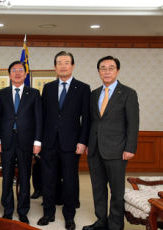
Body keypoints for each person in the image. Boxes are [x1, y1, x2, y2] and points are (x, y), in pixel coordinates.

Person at [83, 56, 139, 230]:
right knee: (98, 188)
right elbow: (91, 121)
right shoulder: (93, 94)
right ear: (99, 71)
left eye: (111, 68)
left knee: (116, 190)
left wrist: (130, 148)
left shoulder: (128, 93)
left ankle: (115, 224)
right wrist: (87, 143)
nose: (106, 71)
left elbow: (133, 123)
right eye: (103, 68)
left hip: (117, 150)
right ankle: (101, 221)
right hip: (94, 150)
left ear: (117, 71)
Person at [37, 51, 90, 230]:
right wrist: (39, 141)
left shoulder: (83, 88)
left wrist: (83, 141)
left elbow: (87, 118)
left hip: (71, 144)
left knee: (70, 181)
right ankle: (48, 213)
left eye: (67, 62)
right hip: (49, 142)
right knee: (48, 179)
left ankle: (69, 216)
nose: (63, 66)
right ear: (55, 67)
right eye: (59, 62)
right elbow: (43, 117)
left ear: (73, 66)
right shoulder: (48, 87)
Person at [0, 60, 42, 223]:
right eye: (14, 70)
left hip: (26, 141)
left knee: (24, 177)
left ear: (26, 74)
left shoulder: (34, 93)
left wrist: (37, 141)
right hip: (6, 141)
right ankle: (7, 209)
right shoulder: (2, 93)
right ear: (9, 74)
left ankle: (22, 211)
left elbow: (38, 119)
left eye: (21, 70)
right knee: (6, 176)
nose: (17, 73)